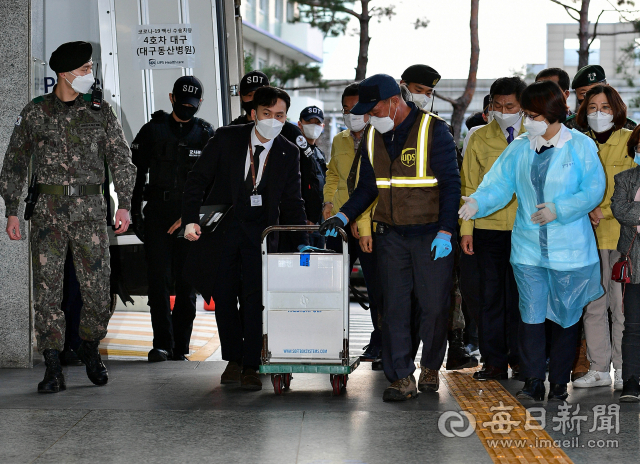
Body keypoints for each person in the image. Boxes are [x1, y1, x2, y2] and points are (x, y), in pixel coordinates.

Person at [0, 41, 135, 393]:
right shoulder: (35, 112)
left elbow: (122, 160)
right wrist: (11, 211)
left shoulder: (101, 112)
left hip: (90, 214)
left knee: (97, 291)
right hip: (48, 214)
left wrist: (125, 203)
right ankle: (52, 365)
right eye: (85, 69)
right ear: (64, 74)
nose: (91, 75)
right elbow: (14, 162)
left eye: (91, 68)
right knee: (47, 292)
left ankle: (90, 346)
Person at [459, 80, 606, 402]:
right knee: (531, 315)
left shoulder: (580, 146)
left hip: (570, 251)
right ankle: (533, 380)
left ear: (553, 114)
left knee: (567, 317)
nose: (528, 120)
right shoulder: (520, 147)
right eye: (527, 113)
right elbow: (497, 183)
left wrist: (560, 209)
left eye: (533, 114)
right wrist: (477, 203)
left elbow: (594, 189)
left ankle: (559, 383)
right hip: (527, 250)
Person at [320, 74, 461, 401]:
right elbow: (367, 186)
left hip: (430, 234)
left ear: (395, 102)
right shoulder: (373, 137)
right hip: (391, 235)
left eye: (374, 109)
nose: (369, 117)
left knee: (434, 306)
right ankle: (401, 377)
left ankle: (429, 365)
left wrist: (445, 231)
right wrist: (344, 214)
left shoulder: (434, 131)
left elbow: (451, 187)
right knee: (393, 308)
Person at [181, 86, 307, 391]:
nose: (273, 121)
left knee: (255, 300)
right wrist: (188, 220)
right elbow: (196, 180)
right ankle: (233, 360)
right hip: (224, 230)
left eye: (280, 115)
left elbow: (293, 201)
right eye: (267, 114)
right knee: (223, 296)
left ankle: (251, 364)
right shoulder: (227, 138)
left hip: (262, 236)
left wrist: (303, 240)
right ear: (254, 114)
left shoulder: (289, 151)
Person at [130, 76, 215, 363]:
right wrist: (133, 214)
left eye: (192, 104)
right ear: (171, 98)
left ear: (199, 103)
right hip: (157, 214)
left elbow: (214, 184)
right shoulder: (152, 130)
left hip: (189, 218)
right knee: (158, 283)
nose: (186, 108)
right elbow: (136, 176)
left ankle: (181, 346)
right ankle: (162, 345)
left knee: (186, 283)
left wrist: (193, 217)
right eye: (181, 103)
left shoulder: (205, 134)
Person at [460, 77, 527, 381]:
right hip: (487, 230)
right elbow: (469, 187)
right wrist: (466, 229)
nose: (503, 111)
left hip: (525, 230)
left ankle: (523, 360)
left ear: (523, 106)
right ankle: (494, 362)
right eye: (497, 105)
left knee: (523, 298)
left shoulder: (534, 136)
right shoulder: (479, 138)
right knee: (489, 298)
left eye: (509, 105)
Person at [571, 85, 634, 390]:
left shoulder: (629, 141)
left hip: (622, 239)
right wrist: (586, 209)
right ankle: (598, 368)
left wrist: (601, 210)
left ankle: (623, 369)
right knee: (593, 305)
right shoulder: (576, 143)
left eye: (606, 107)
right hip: (587, 237)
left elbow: (634, 191)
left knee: (621, 307)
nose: (599, 113)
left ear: (617, 110)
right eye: (593, 107)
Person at [323, 83, 382, 366]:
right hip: (339, 222)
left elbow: (374, 187)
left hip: (368, 221)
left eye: (356, 108)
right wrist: (327, 204)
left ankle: (380, 341)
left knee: (376, 285)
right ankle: (331, 338)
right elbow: (333, 174)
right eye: (346, 109)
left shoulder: (381, 139)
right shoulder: (340, 140)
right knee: (334, 282)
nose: (350, 114)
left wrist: (361, 220)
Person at [610, 127, 640, 402]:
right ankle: (631, 379)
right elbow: (619, 210)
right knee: (632, 325)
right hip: (635, 264)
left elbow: (630, 211)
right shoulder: (625, 179)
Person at [229, 70, 303, 144]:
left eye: (260, 96)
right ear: (240, 96)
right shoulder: (232, 132)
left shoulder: (290, 132)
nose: (254, 99)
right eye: (249, 95)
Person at [565, 65, 637, 131]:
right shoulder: (569, 127)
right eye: (584, 93)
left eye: (596, 91)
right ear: (576, 94)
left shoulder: (628, 127)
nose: (591, 98)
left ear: (608, 89)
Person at [297, 105, 327, 247]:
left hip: (319, 222)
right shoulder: (294, 152)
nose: (313, 126)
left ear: (322, 126)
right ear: (300, 124)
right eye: (309, 122)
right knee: (304, 264)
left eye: (317, 123)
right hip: (304, 223)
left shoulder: (319, 153)